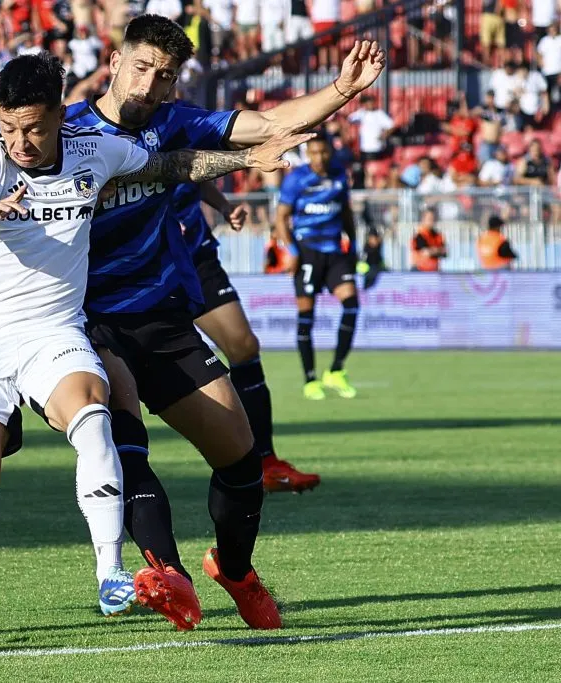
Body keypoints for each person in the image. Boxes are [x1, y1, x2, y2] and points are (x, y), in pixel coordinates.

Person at [0, 51, 307, 635]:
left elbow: (169, 165)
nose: (20, 142)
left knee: (94, 414)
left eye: (32, 128)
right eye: (9, 127)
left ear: (58, 116)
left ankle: (111, 571)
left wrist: (247, 159)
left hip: (54, 332)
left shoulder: (91, 149)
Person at [65, 14, 384, 631]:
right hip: (87, 321)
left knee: (239, 459)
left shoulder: (175, 119)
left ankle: (234, 570)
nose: (150, 84)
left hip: (162, 317)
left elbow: (270, 125)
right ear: (113, 62)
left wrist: (343, 90)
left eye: (164, 75)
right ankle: (169, 574)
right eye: (141, 67)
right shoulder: (66, 131)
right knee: (121, 435)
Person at [175, 179, 321, 493]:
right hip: (142, 261)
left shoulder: (174, 128)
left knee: (243, 347)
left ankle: (266, 463)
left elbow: (192, 165)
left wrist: (224, 206)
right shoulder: (105, 135)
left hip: (197, 256)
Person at [275, 135, 360, 401]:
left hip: (335, 251)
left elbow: (345, 212)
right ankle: (310, 379)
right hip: (307, 252)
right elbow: (281, 218)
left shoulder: (338, 175)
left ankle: (336, 370)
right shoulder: (296, 179)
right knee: (307, 315)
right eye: (314, 153)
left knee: (352, 304)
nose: (320, 158)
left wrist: (354, 246)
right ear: (308, 153)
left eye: (324, 153)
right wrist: (291, 252)